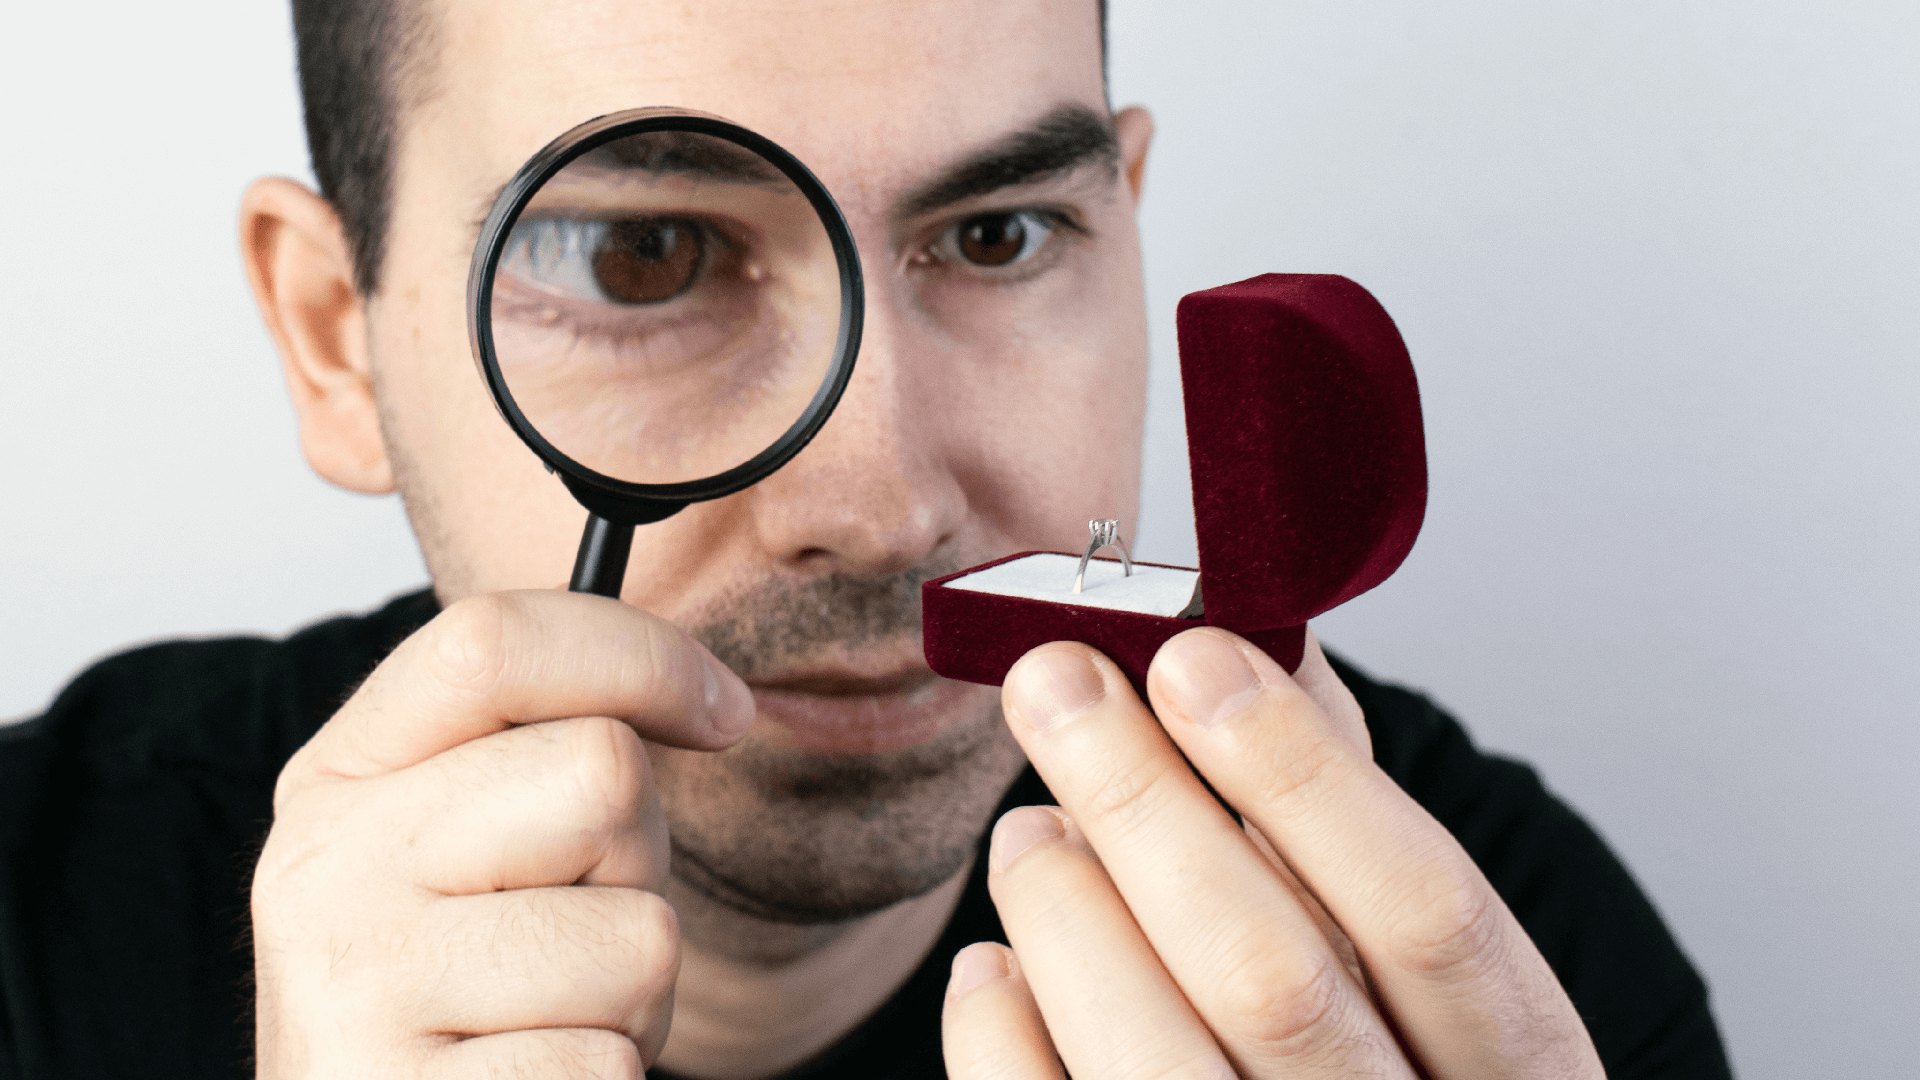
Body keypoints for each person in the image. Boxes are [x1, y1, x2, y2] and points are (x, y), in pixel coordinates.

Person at [0, 0, 1734, 1077]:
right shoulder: (25, 923)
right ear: (333, 336)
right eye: (647, 258)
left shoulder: (1477, 968)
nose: (883, 499)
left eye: (996, 237)